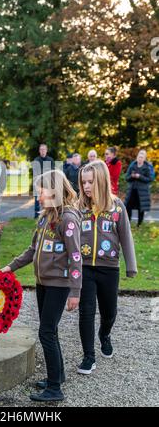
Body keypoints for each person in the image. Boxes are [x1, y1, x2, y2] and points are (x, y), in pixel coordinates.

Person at [1, 169, 82, 402]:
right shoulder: (46, 217)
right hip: (43, 283)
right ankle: (58, 375)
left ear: (54, 190)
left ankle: (55, 389)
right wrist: (9, 267)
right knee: (50, 330)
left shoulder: (68, 219)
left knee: (46, 332)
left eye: (42, 190)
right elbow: (32, 250)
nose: (38, 195)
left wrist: (75, 291)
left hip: (59, 285)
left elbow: (76, 257)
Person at [77, 160, 137, 375]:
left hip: (109, 268)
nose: (86, 186)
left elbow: (126, 237)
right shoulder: (78, 208)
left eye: (90, 182)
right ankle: (88, 356)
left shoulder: (117, 206)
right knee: (86, 312)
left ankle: (105, 333)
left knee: (109, 311)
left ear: (101, 181)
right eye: (83, 182)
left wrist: (131, 266)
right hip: (84, 268)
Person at [124, 150, 152, 226]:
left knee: (141, 208)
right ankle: (128, 222)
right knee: (128, 206)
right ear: (137, 157)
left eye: (142, 157)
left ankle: (139, 224)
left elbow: (149, 179)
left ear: (144, 159)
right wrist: (132, 176)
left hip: (142, 192)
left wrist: (140, 177)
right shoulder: (132, 165)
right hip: (132, 190)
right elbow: (126, 177)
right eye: (139, 157)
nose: (140, 159)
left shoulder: (147, 167)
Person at [33, 144, 55, 218]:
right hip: (38, 183)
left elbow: (52, 172)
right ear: (39, 151)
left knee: (48, 200)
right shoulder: (36, 160)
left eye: (44, 149)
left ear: (46, 150)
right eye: (41, 149)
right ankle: (36, 216)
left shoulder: (50, 160)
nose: (43, 151)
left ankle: (47, 215)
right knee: (37, 200)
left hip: (47, 183)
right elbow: (36, 172)